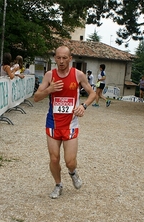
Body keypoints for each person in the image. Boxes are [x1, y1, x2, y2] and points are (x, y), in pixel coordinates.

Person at [34, 46, 96, 199]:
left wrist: (83, 106)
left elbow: (93, 93)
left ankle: (73, 173)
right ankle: (58, 184)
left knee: (70, 161)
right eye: (58, 58)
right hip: (53, 123)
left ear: (70, 58)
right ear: (55, 58)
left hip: (71, 124)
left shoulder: (78, 75)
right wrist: (50, 89)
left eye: (64, 58)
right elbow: (36, 97)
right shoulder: (50, 75)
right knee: (54, 158)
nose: (61, 61)